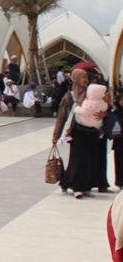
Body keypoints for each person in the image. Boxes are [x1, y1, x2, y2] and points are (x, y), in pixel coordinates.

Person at [52, 68, 104, 199]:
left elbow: (101, 109)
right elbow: (62, 117)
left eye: (86, 77)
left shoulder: (91, 95)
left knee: (89, 159)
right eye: (82, 77)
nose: (85, 80)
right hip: (77, 132)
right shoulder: (69, 97)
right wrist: (56, 135)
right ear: (75, 79)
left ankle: (78, 185)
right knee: (79, 159)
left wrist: (104, 114)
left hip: (92, 131)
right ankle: (77, 187)